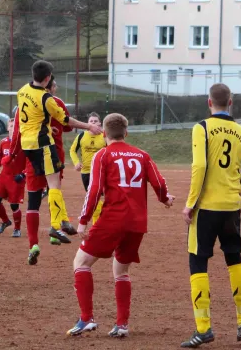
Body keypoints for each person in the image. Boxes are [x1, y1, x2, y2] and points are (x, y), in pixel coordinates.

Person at [66, 113, 174, 338]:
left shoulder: (102, 155)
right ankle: (121, 324)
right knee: (121, 270)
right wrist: (165, 199)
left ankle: (86, 318)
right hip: (137, 224)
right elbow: (159, 182)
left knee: (81, 262)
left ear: (104, 133)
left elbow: (93, 191)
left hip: (112, 220)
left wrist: (83, 220)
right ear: (126, 132)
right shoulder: (142, 155)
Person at [180, 83, 241, 348]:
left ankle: (204, 329)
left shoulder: (201, 128)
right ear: (231, 102)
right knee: (234, 258)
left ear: (208, 102)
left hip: (207, 207)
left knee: (197, 261)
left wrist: (190, 203)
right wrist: (230, 183)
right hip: (231, 206)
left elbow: (200, 165)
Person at [16, 60, 102, 265]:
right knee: (54, 184)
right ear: (47, 79)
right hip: (43, 144)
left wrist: (45, 127)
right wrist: (89, 127)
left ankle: (61, 220)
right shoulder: (47, 98)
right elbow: (67, 122)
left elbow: (27, 118)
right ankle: (56, 225)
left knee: (39, 194)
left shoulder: (22, 90)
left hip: (28, 145)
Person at [45, 75, 77, 245]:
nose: (56, 88)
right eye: (55, 85)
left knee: (47, 190)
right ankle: (56, 227)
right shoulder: (56, 102)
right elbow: (68, 127)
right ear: (49, 86)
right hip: (53, 150)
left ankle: (62, 222)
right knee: (54, 188)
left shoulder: (29, 100)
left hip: (32, 150)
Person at [0, 118, 27, 238]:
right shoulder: (4, 142)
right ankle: (6, 221)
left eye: (15, 126)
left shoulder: (24, 143)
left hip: (17, 178)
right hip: (4, 177)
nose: (13, 128)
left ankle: (17, 229)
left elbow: (31, 162)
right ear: (7, 128)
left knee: (14, 205)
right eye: (11, 126)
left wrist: (23, 174)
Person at [69, 112, 107, 223]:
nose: (93, 123)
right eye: (91, 121)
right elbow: (72, 151)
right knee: (94, 198)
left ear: (100, 123)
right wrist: (76, 163)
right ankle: (98, 223)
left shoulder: (105, 136)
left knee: (105, 197)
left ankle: (100, 223)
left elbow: (111, 151)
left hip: (102, 172)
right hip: (86, 172)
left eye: (95, 121)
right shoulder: (81, 136)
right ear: (87, 123)